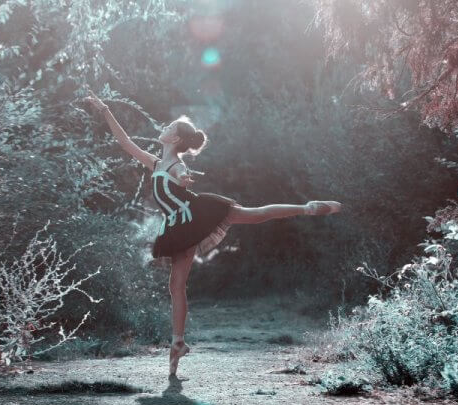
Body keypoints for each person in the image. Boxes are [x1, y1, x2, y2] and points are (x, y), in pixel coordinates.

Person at [84, 90, 342, 376]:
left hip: (197, 214)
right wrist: (105, 110)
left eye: (169, 127)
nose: (164, 128)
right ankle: (178, 343)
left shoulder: (175, 165)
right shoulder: (155, 162)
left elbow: (182, 175)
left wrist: (183, 178)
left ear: (176, 139)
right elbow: (126, 142)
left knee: (254, 214)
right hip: (177, 226)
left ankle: (307, 208)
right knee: (176, 286)